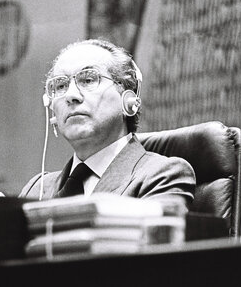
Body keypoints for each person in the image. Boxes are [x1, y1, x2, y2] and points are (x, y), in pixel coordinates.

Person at [19, 38, 195, 208]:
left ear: (128, 99)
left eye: (88, 80)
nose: (70, 95)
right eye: (60, 86)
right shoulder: (36, 190)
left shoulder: (162, 175)